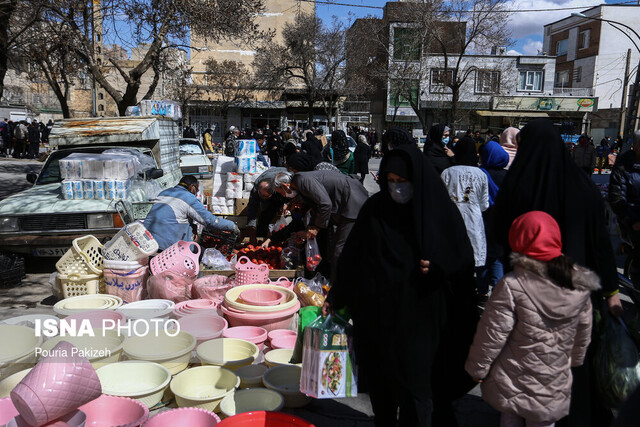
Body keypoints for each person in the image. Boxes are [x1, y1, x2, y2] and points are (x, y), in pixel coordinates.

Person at [324, 144, 478, 426]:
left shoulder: (438, 212)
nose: (396, 189)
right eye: (390, 182)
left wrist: (439, 266)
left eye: (402, 182)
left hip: (422, 320)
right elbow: (353, 258)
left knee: (416, 391)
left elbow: (462, 263)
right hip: (378, 319)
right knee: (382, 389)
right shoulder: (375, 210)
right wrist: (337, 296)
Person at [492, 118, 622, 427]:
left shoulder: (516, 185)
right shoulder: (583, 187)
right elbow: (601, 245)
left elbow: (498, 236)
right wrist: (613, 292)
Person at [466, 211, 598, 427]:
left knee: (510, 415)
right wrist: (575, 358)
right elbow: (584, 327)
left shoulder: (512, 284)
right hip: (554, 374)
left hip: (515, 376)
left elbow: (492, 333)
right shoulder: (578, 281)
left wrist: (478, 368)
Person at [273, 170, 368, 279]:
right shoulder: (300, 181)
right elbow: (317, 206)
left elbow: (324, 204)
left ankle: (338, 286)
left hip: (352, 202)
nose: (284, 195)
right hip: (346, 203)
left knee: (340, 249)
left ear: (284, 185)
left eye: (281, 192)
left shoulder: (301, 180)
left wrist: (316, 227)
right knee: (337, 247)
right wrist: (310, 228)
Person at [144, 176, 238, 250]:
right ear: (192, 187)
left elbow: (173, 217)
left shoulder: (164, 193)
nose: (196, 193)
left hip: (149, 240)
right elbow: (210, 221)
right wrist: (232, 226)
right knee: (199, 253)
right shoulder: (188, 197)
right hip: (168, 245)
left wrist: (192, 227)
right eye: (196, 190)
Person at [441, 148, 490, 270]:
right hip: (473, 220)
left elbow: (440, 198)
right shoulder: (481, 174)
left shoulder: (447, 172)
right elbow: (484, 205)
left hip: (450, 220)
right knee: (473, 256)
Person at [476, 140, 510, 302]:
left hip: (483, 218)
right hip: (502, 220)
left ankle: (482, 291)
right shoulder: (508, 175)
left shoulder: (480, 174)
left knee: (483, 256)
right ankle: (498, 291)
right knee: (498, 258)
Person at [609, 130, 640, 290]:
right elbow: (616, 198)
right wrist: (632, 220)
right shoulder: (623, 166)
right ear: (635, 147)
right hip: (632, 218)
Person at [245, 167, 288, 243]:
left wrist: (287, 203)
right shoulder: (256, 189)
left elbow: (291, 192)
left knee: (272, 209)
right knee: (264, 216)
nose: (263, 198)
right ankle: (262, 237)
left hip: (283, 181)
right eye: (261, 195)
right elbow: (252, 209)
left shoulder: (281, 184)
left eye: (266, 196)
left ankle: (273, 238)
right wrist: (252, 233)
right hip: (270, 182)